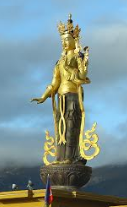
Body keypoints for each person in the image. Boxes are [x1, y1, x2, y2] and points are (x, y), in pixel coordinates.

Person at [31, 15, 91, 163]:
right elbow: (55, 82)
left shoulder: (78, 57)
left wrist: (83, 62)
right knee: (60, 127)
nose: (64, 43)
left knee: (71, 124)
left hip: (72, 95)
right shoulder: (60, 62)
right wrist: (44, 96)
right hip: (60, 96)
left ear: (73, 40)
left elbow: (82, 75)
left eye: (67, 40)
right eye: (62, 40)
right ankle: (61, 156)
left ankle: (71, 156)